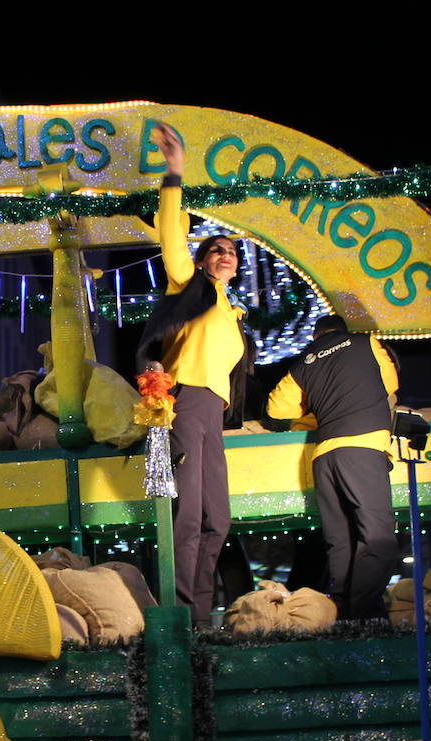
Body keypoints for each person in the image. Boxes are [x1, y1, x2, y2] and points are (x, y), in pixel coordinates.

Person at [136, 123, 252, 627]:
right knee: (186, 516)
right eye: (215, 250)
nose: (224, 254)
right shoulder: (192, 285)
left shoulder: (231, 310)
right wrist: (174, 174)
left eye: (231, 251)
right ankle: (183, 617)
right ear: (202, 261)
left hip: (213, 412)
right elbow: (170, 236)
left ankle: (201, 615)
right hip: (184, 400)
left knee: (216, 520)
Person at [267, 314, 399, 620]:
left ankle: (343, 615)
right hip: (363, 448)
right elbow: (390, 383)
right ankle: (363, 617)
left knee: (340, 541)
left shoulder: (304, 363)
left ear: (315, 337)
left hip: (324, 456)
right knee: (378, 539)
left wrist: (316, 402)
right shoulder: (366, 343)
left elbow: (275, 407)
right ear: (344, 332)